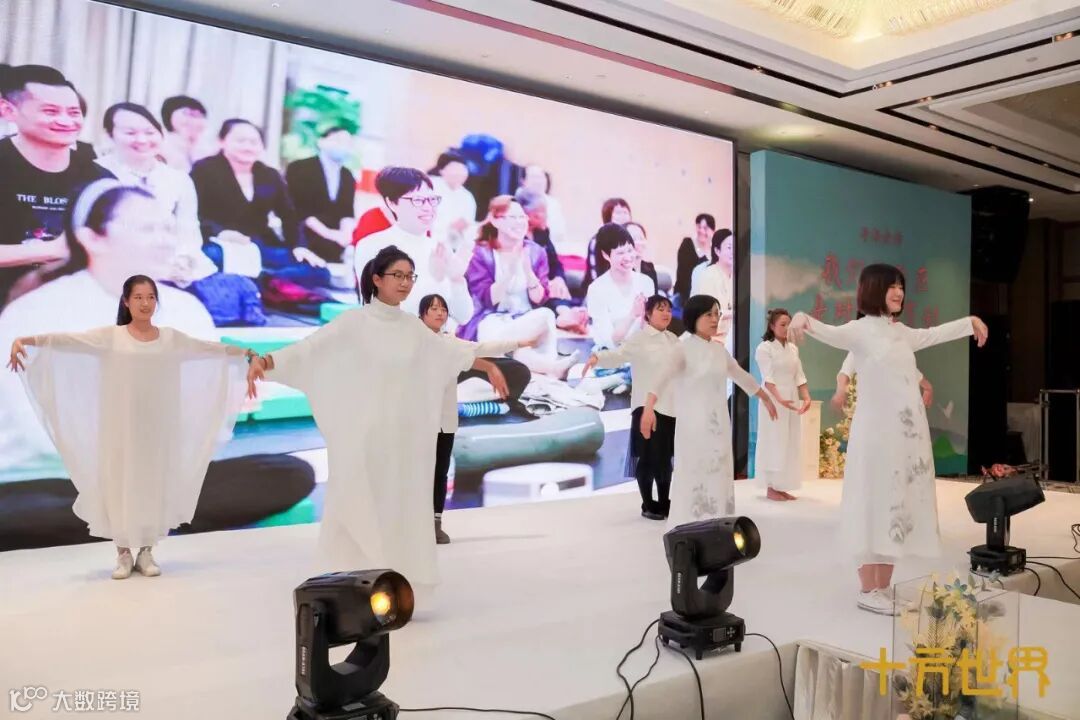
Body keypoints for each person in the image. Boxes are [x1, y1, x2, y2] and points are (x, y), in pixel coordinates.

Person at [246, 246, 498, 595]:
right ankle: (348, 582)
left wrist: (488, 365)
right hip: (364, 437)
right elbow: (310, 350)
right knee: (356, 504)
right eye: (398, 275)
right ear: (377, 279)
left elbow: (449, 353)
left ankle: (394, 582)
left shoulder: (412, 328)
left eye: (410, 276)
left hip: (402, 440)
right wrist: (266, 361)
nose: (405, 283)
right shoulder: (354, 323)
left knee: (397, 507)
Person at [7, 274, 250, 579]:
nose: (145, 303)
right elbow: (66, 341)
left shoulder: (171, 339)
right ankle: (123, 554)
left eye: (150, 297)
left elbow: (209, 349)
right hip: (119, 428)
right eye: (138, 297)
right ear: (126, 302)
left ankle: (146, 551)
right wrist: (26, 341)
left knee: (152, 484)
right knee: (120, 485)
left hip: (157, 427)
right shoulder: (112, 337)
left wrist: (246, 354)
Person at [788, 264, 988, 616]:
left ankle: (882, 587)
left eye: (901, 286)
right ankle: (868, 588)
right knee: (873, 500)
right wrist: (802, 318)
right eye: (891, 286)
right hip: (876, 436)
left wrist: (969, 322)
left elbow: (933, 334)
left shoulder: (901, 333)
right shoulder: (860, 330)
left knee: (896, 504)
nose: (898, 292)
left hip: (905, 437)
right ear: (873, 289)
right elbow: (827, 332)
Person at [0, 181, 219, 466]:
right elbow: (46, 433)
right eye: (147, 229)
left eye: (168, 229)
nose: (165, 241)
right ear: (92, 239)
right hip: (42, 477)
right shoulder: (36, 313)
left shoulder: (187, 311)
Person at [643, 295, 777, 528]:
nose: (715, 319)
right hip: (693, 427)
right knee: (695, 473)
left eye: (717, 314)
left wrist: (764, 397)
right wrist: (648, 409)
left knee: (719, 473)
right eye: (709, 314)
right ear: (694, 317)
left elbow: (740, 375)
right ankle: (690, 525)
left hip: (719, 426)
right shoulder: (682, 348)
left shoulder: (718, 350)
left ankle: (718, 523)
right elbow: (660, 379)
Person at [418, 293, 532, 544]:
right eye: (433, 308)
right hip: (420, 419)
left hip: (445, 419)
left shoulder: (449, 341)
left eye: (443, 309)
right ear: (422, 314)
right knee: (419, 471)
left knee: (440, 471)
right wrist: (489, 367)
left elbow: (480, 348)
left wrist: (517, 343)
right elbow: (467, 356)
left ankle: (435, 523)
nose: (439, 313)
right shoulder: (417, 341)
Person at [0, 64, 112, 305]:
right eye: (50, 111)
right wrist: (52, 249)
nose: (65, 121)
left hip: (72, 305)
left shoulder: (100, 179)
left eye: (73, 112)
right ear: (7, 110)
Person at [190, 119, 328, 286]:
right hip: (218, 245)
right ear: (222, 141)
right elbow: (190, 212)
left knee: (319, 270)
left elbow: (289, 216)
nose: (248, 147)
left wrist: (299, 246)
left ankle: (262, 279)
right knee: (209, 259)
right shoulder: (203, 170)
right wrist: (219, 232)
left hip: (258, 246)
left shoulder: (269, 175)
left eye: (254, 142)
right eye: (240, 141)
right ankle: (264, 282)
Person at [95, 102, 217, 288]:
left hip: (169, 264)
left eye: (150, 132)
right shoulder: (95, 172)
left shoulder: (178, 179)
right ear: (109, 135)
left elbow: (189, 233)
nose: (142, 140)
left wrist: (182, 263)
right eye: (130, 133)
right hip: (112, 266)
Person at [458, 196, 578, 378]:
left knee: (546, 315)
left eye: (522, 217)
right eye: (512, 217)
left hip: (524, 321)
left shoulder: (536, 251)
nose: (519, 222)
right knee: (518, 347)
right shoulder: (481, 253)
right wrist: (509, 273)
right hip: (490, 321)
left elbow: (539, 300)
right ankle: (551, 368)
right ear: (495, 221)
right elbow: (489, 300)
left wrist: (528, 273)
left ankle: (540, 365)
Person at [584, 295, 680, 520]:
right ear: (647, 314)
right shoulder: (640, 338)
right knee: (647, 457)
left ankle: (664, 501)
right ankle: (648, 503)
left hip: (670, 407)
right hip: (645, 407)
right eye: (660, 309)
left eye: (668, 309)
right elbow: (618, 355)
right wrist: (597, 358)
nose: (666, 313)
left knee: (664, 459)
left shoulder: (673, 339)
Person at [353, 167, 473, 322]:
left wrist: (457, 280)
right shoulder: (372, 246)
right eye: (418, 201)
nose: (428, 208)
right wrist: (435, 281)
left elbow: (463, 317)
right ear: (392, 203)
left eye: (432, 200)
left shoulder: (439, 248)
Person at [754, 308, 811, 502]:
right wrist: (779, 399)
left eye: (789, 324)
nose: (787, 328)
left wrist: (806, 397)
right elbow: (768, 378)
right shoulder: (764, 348)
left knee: (789, 441)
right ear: (772, 326)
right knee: (774, 441)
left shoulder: (793, 348)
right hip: (773, 400)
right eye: (782, 324)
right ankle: (771, 487)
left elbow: (799, 376)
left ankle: (782, 486)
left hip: (791, 399)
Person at [285, 126, 357, 263]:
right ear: (321, 142)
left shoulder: (347, 175)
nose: (343, 146)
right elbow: (297, 207)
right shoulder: (299, 168)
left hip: (335, 244)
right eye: (338, 140)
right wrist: (327, 233)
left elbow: (347, 211)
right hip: (304, 237)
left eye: (348, 143)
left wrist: (345, 235)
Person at [585, 223, 656, 350]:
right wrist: (633, 315)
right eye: (620, 253)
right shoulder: (597, 289)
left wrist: (646, 318)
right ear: (606, 255)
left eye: (630, 250)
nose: (628, 257)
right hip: (611, 354)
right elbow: (608, 342)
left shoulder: (646, 282)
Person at [430, 151, 477, 255]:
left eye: (462, 169)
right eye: (455, 169)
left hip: (453, 247)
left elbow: (469, 225)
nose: (459, 173)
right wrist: (449, 226)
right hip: (430, 242)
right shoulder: (429, 187)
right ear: (441, 170)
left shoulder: (467, 196)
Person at [581, 198, 633, 295]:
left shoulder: (633, 240)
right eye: (618, 213)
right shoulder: (597, 241)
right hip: (598, 292)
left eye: (625, 212)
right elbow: (594, 275)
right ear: (608, 216)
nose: (623, 216)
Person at [520, 164, 567, 252]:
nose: (538, 181)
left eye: (541, 177)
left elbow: (559, 233)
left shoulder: (553, 203)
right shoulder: (515, 203)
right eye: (534, 177)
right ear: (523, 181)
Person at [160, 95, 209, 173]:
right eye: (190, 114)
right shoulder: (161, 147)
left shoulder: (206, 150)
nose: (195, 121)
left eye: (201, 116)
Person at [673, 213, 714, 306]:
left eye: (705, 228)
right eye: (699, 227)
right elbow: (684, 277)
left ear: (713, 231)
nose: (701, 231)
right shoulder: (687, 244)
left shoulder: (715, 250)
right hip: (685, 296)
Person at [624, 221, 659, 294]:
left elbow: (654, 296)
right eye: (634, 238)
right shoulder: (619, 270)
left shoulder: (649, 267)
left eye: (641, 238)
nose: (639, 242)